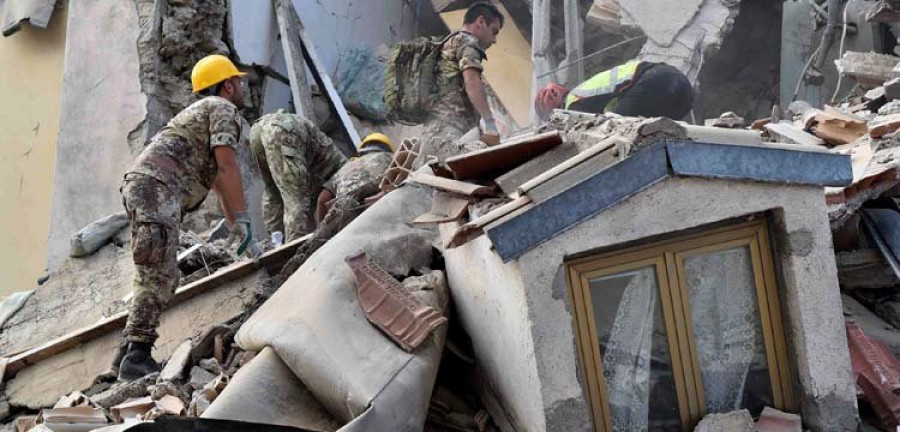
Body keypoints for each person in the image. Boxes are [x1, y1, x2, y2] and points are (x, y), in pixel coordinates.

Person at [117, 54, 258, 380]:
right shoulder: (224, 110)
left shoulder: (201, 114)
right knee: (160, 274)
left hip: (148, 188)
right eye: (238, 82)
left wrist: (240, 228)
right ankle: (136, 356)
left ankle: (126, 353)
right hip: (157, 190)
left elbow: (222, 185)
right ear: (227, 86)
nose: (241, 88)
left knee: (152, 270)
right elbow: (227, 166)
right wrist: (247, 220)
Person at [419, 1, 504, 164]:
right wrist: (490, 124)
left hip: (434, 129)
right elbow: (471, 80)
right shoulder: (468, 43)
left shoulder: (450, 41)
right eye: (494, 32)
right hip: (450, 130)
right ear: (480, 22)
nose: (494, 40)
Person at [250, 111, 346, 244]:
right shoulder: (342, 175)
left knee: (273, 190)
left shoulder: (334, 168)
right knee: (296, 200)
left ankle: (276, 242)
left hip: (260, 129)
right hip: (284, 131)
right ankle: (293, 254)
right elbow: (319, 200)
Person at [535, 60, 694, 121]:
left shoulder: (573, 104)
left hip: (653, 81)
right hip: (681, 85)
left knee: (613, 129)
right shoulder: (585, 92)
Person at [315, 132, 395, 222]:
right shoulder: (392, 158)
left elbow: (322, 200)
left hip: (343, 211)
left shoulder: (347, 167)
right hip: (380, 206)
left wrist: (321, 225)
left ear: (361, 153)